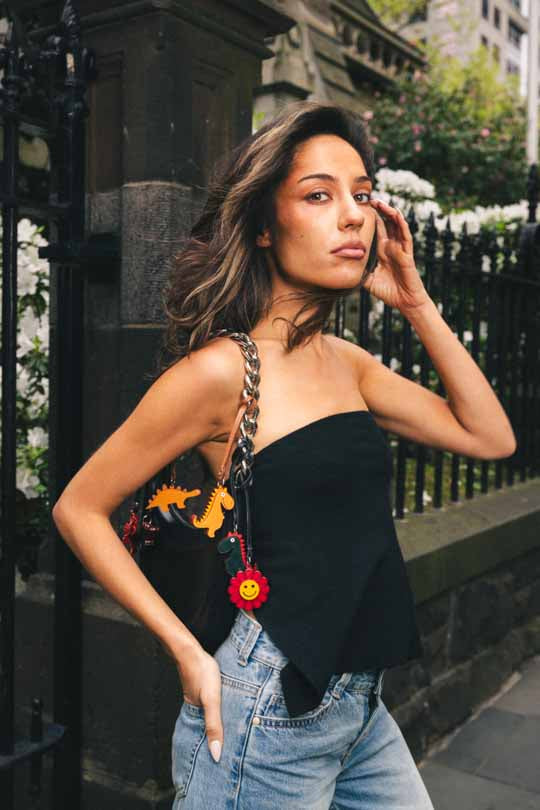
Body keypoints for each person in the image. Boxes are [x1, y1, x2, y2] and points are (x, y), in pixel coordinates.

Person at [52, 101, 516, 809]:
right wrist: (184, 650)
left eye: (361, 193)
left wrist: (417, 302)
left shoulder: (349, 363)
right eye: (318, 195)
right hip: (266, 704)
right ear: (264, 227)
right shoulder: (219, 373)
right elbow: (80, 507)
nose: (353, 215)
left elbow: (490, 438)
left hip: (357, 702)